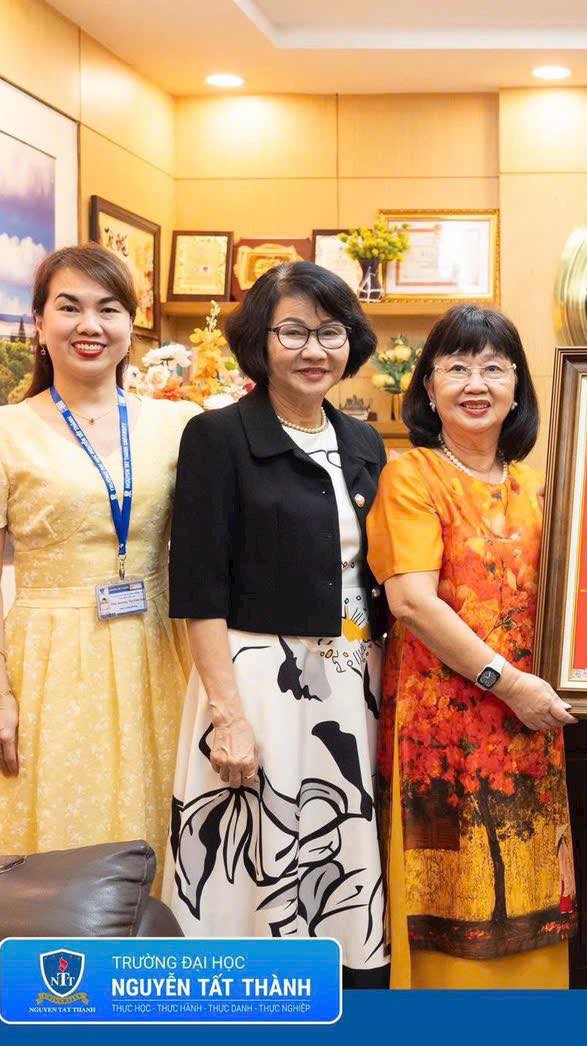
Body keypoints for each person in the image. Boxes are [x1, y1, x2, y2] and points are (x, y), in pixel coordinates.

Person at [165, 261, 390, 988]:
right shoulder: (217, 437)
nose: (313, 350)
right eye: (292, 331)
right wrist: (226, 716)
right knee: (254, 864)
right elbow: (199, 589)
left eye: (330, 332)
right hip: (258, 682)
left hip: (350, 682)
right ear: (259, 341)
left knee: (340, 854)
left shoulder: (363, 443)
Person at [0, 244, 198, 865]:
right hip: (50, 661)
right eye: (69, 307)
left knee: (161, 830)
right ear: (39, 323)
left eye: (108, 309)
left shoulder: (178, 426)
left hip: (157, 654)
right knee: (57, 838)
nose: (90, 325)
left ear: (131, 326)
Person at [368, 304, 578, 989]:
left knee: (529, 899)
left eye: (493, 368)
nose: (476, 383)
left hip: (530, 723)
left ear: (518, 387)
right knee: (451, 906)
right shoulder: (412, 476)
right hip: (442, 729)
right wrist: (507, 683)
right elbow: (411, 601)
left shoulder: (541, 486)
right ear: (428, 388)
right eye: (456, 368)